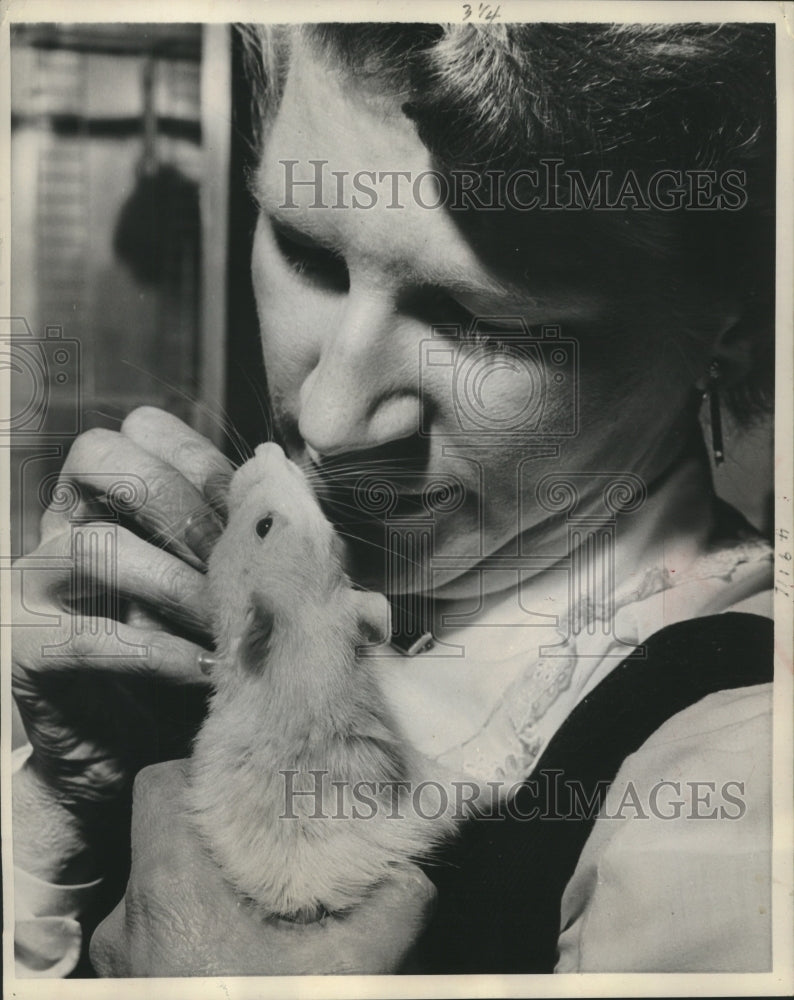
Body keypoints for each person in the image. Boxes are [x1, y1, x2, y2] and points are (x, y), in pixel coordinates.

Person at [11, 21, 776, 977]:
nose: (330, 418)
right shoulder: (239, 613)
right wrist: (61, 817)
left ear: (738, 329)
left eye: (484, 323)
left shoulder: (742, 794)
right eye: (307, 252)